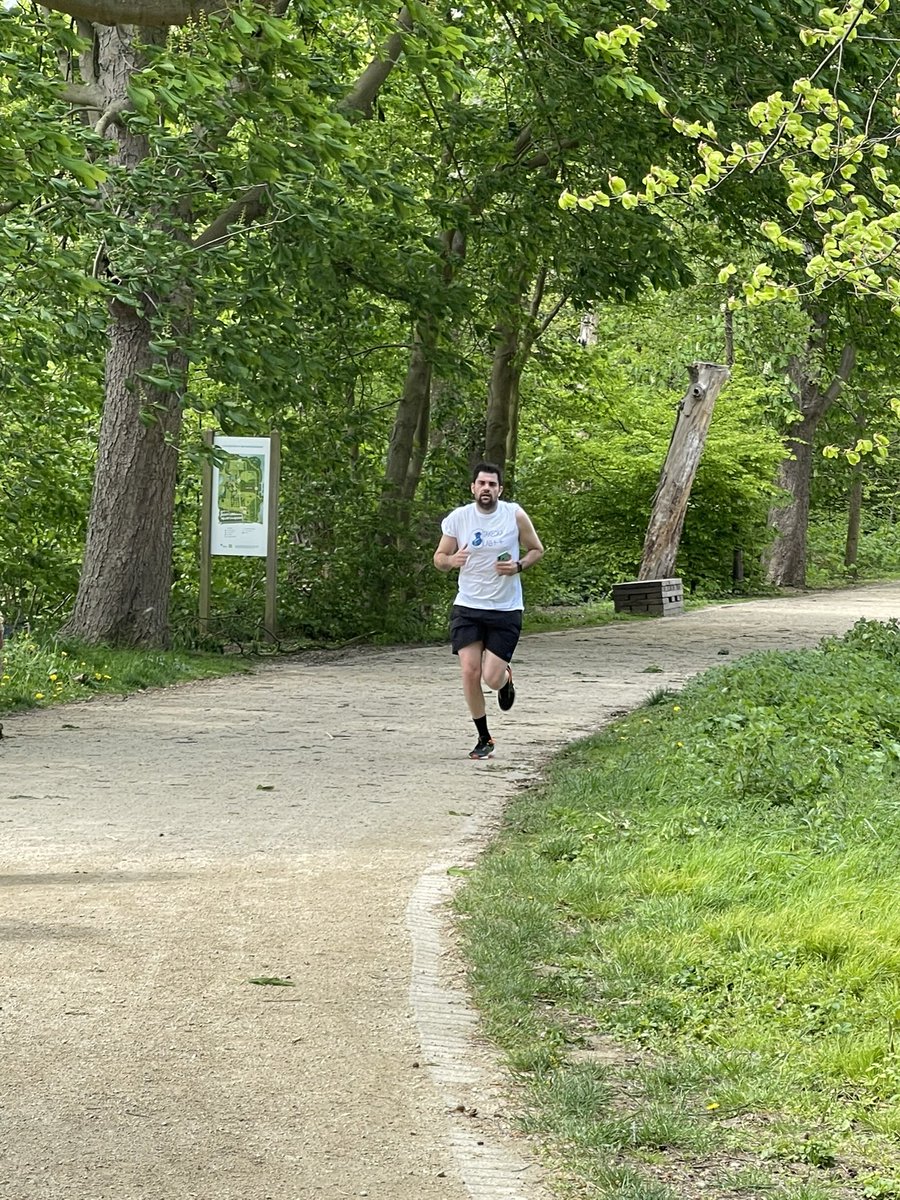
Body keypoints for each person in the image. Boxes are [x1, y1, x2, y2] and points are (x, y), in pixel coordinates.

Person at [433, 461, 545, 760]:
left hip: (505, 608)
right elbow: (439, 558)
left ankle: (505, 679)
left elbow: (537, 549)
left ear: (500, 489)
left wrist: (518, 565)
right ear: (473, 488)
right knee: (469, 671)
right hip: (468, 606)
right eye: (481, 483)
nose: (486, 489)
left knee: (490, 678)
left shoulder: (514, 514)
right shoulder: (459, 518)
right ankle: (484, 737)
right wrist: (451, 561)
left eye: (492, 484)